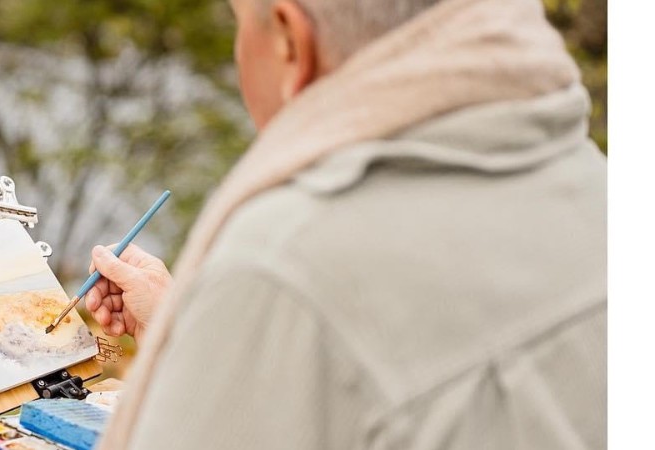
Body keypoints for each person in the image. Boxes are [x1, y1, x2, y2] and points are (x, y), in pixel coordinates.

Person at [84, 0, 606, 448]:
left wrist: (236, 314)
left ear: (290, 41)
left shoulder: (283, 261)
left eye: (241, 24)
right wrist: (192, 326)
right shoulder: (594, 181)